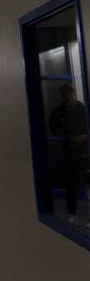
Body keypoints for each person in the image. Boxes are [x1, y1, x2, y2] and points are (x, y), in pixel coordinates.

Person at [48, 85, 89, 223]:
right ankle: (72, 212)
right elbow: (53, 128)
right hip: (69, 151)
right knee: (71, 183)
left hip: (84, 150)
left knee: (86, 181)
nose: (69, 97)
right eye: (65, 95)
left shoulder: (82, 108)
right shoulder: (58, 112)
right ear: (62, 96)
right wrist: (68, 137)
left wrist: (84, 137)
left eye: (70, 94)